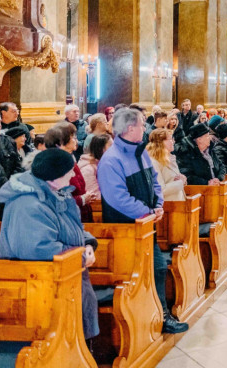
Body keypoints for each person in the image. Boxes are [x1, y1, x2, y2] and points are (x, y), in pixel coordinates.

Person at [96, 107, 188, 333]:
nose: (144, 128)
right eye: (141, 124)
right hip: (126, 231)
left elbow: (154, 181)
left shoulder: (141, 152)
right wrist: (147, 212)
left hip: (147, 227)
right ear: (130, 128)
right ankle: (146, 321)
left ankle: (161, 317)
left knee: (157, 269)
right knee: (139, 275)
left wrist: (158, 205)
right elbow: (117, 198)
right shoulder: (111, 160)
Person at [0, 148, 100, 344]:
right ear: (54, 176)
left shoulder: (55, 193)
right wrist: (80, 256)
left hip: (67, 281)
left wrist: (87, 243)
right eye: (69, 171)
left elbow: (72, 227)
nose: (73, 174)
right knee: (67, 344)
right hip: (43, 290)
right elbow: (37, 248)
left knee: (78, 342)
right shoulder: (28, 204)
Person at [45, 122, 97, 223]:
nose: (76, 140)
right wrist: (82, 199)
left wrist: (86, 196)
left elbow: (77, 188)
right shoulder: (56, 165)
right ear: (61, 143)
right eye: (73, 137)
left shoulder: (70, 160)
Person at [146, 129, 187, 202]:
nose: (173, 141)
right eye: (170, 139)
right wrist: (181, 182)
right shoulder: (154, 162)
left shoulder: (170, 158)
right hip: (168, 206)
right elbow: (160, 189)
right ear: (161, 142)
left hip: (178, 204)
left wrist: (183, 179)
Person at [78, 133, 111, 208]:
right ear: (101, 149)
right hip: (96, 209)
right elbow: (94, 197)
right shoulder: (88, 169)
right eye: (111, 146)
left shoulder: (106, 164)